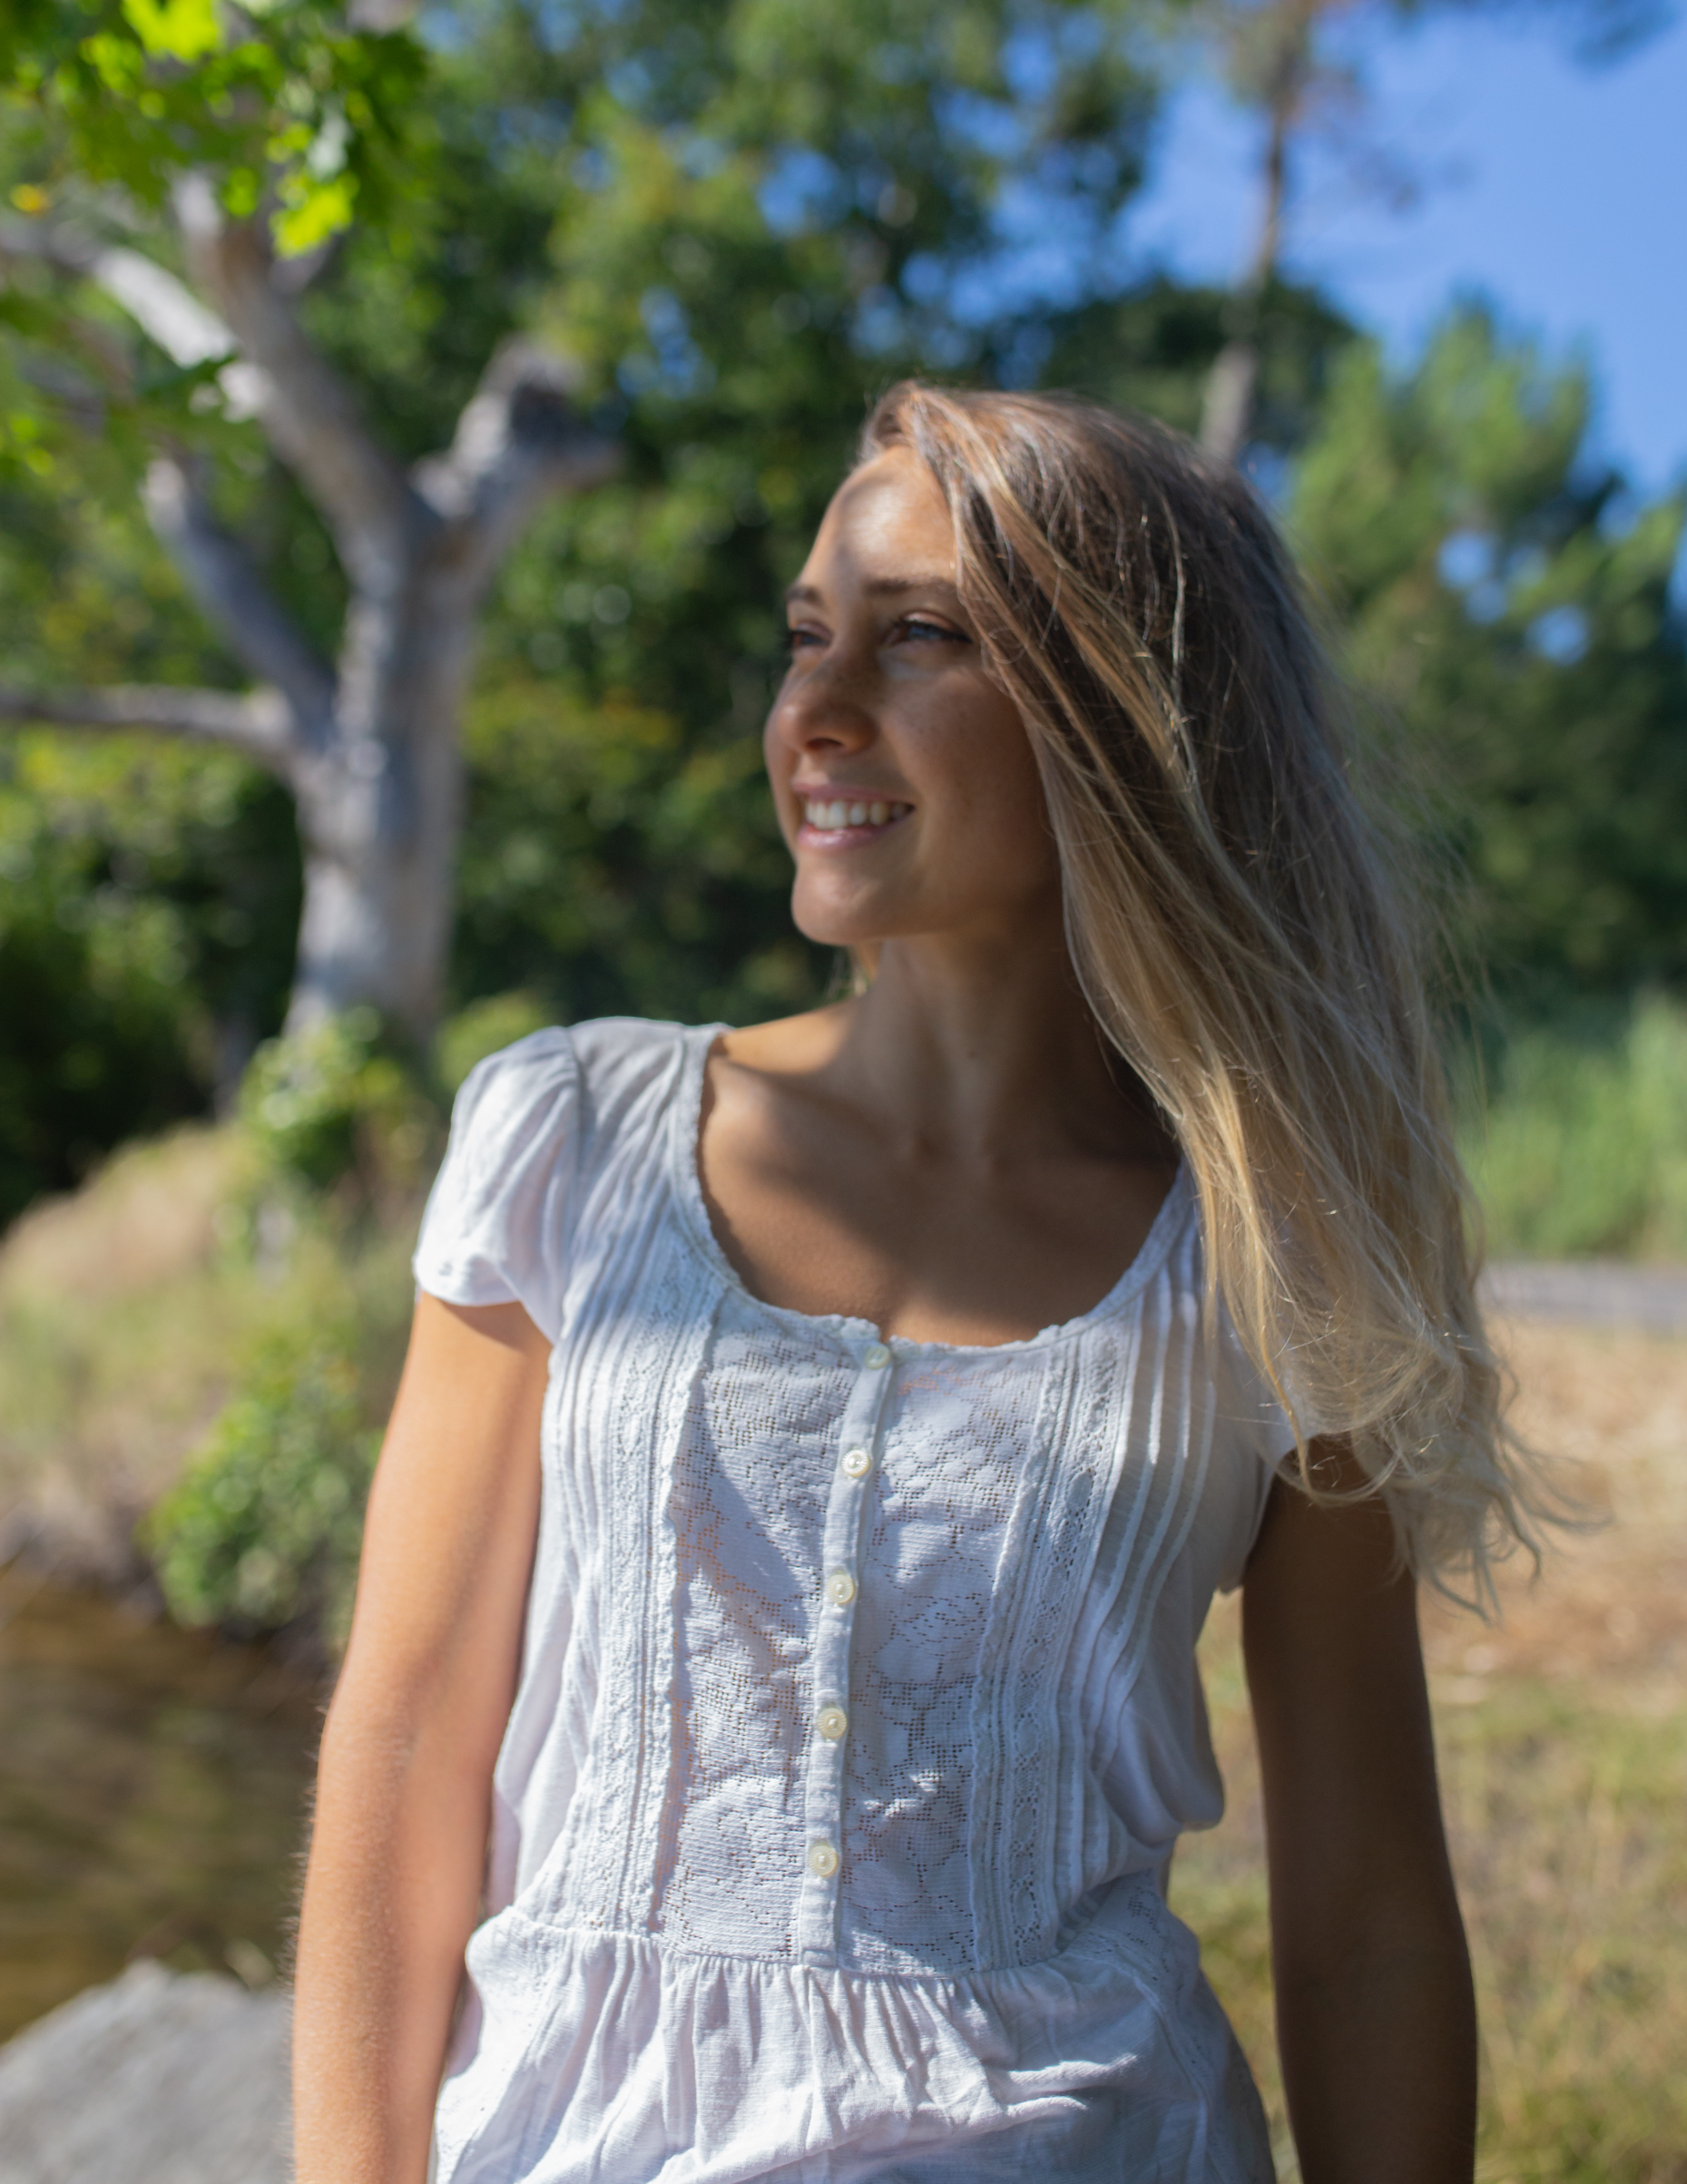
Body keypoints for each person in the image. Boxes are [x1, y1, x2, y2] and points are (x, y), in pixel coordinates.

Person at [293, 384, 1537, 2184]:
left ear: (1127, 716)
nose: (816, 709)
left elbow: (1364, 1911)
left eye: (921, 636)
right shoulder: (569, 1134)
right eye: (809, 636)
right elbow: (406, 1744)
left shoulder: (1280, 1250)